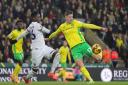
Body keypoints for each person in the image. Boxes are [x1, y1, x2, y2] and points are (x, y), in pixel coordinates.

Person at [48, 10, 107, 83]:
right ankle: (91, 80)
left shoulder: (76, 23)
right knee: (80, 65)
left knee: (98, 58)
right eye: (70, 17)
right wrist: (48, 38)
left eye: (72, 17)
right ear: (66, 17)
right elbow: (55, 33)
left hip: (83, 45)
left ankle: (98, 51)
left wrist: (100, 28)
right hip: (74, 49)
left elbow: (88, 25)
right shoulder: (62, 26)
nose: (71, 18)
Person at [12, 11, 60, 84]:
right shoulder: (37, 25)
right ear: (33, 18)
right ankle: (26, 78)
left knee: (57, 54)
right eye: (38, 17)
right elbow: (48, 31)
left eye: (39, 16)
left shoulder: (30, 26)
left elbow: (24, 34)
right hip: (36, 51)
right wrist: (55, 29)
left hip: (43, 47)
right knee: (34, 71)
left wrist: (16, 39)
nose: (39, 18)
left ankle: (51, 73)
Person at [7, 19, 25, 84]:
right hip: (15, 50)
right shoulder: (14, 32)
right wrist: (12, 41)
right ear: (17, 25)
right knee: (20, 62)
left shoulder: (23, 31)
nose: (20, 25)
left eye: (21, 24)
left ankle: (15, 77)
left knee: (20, 64)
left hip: (21, 50)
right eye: (19, 24)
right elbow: (8, 37)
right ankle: (13, 75)